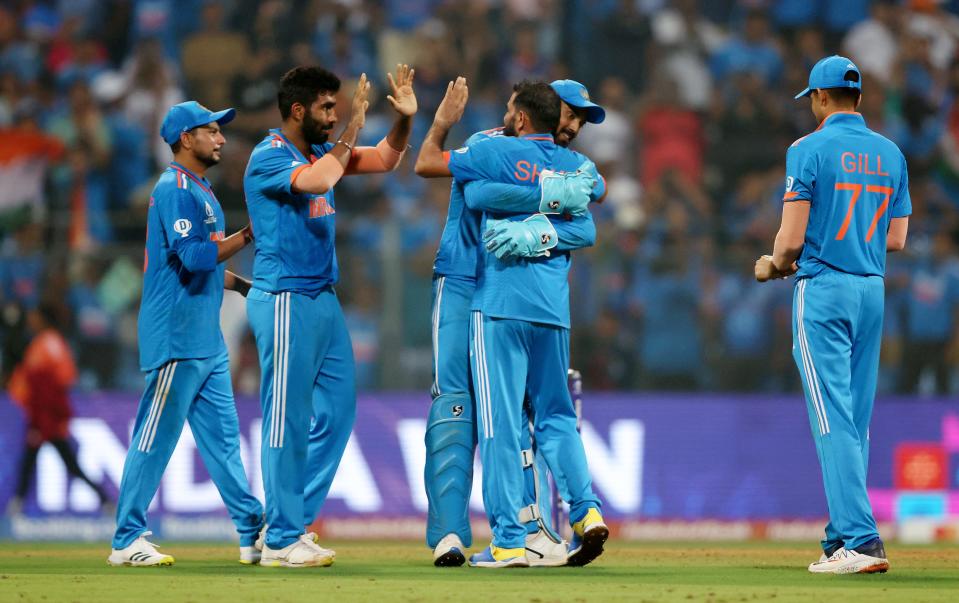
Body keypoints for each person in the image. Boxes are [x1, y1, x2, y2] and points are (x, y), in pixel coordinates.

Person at [417, 79, 608, 569]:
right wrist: (548, 196)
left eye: (583, 120)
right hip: (466, 279)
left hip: (506, 296)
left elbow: (587, 217)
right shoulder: (492, 145)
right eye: (573, 114)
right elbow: (469, 191)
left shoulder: (569, 165)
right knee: (461, 405)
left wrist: (538, 218)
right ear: (547, 109)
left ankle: (524, 532)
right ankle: (452, 533)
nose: (577, 126)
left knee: (511, 420)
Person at [243, 64, 416, 568]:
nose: (335, 115)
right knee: (287, 419)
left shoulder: (323, 148)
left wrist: (402, 120)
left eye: (337, 108)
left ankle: (289, 525)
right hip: (284, 298)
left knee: (337, 415)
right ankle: (279, 538)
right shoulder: (269, 155)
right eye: (327, 108)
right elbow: (318, 181)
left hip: (322, 298)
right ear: (298, 110)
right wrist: (354, 127)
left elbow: (385, 160)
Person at [754, 55, 910, 575]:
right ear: (858, 99)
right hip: (872, 289)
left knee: (831, 417)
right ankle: (840, 536)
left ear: (820, 99)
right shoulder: (891, 154)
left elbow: (791, 239)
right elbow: (897, 238)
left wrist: (771, 267)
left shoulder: (808, 149)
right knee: (855, 420)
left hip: (823, 289)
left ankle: (862, 541)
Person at [108, 101, 262, 567]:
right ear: (184, 139)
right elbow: (195, 258)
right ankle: (126, 540)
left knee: (223, 441)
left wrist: (247, 286)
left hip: (205, 337)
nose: (221, 139)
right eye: (211, 131)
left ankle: (252, 533)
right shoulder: (174, 188)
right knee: (153, 439)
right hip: (176, 336)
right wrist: (250, 235)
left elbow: (205, 268)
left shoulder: (200, 188)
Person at [7, 303, 111, 515]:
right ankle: (105, 500)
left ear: (44, 319)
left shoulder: (50, 342)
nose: (31, 321)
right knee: (41, 462)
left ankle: (106, 501)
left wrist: (48, 413)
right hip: (40, 416)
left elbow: (64, 378)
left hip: (48, 418)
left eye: (35, 317)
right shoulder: (39, 343)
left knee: (62, 464)